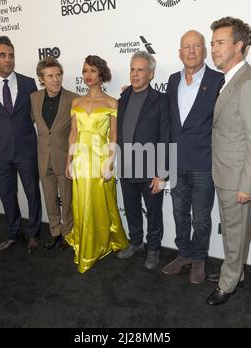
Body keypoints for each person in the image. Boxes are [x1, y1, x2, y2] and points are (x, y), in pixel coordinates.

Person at [206, 17, 251, 305]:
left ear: (239, 46)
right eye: (212, 43)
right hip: (226, 174)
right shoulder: (230, 80)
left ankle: (228, 284)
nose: (213, 49)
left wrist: (248, 184)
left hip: (238, 180)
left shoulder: (249, 84)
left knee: (235, 231)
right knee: (234, 232)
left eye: (220, 43)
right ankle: (235, 273)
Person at [162, 31, 223, 284]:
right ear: (179, 52)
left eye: (196, 46)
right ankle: (184, 254)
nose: (191, 51)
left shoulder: (218, 80)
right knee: (179, 213)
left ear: (204, 51)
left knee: (200, 217)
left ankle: (199, 258)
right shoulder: (173, 79)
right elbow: (168, 121)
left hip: (203, 163)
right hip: (177, 162)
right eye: (186, 46)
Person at [0, 36, 41, 253]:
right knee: (6, 194)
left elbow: (35, 114)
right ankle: (14, 233)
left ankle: (34, 234)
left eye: (11, 55)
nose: (8, 60)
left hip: (26, 150)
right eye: (3, 55)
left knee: (32, 193)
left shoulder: (28, 83)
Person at [65, 55, 128, 273]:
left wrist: (110, 162)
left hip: (101, 160)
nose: (88, 75)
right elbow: (73, 133)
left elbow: (113, 137)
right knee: (82, 203)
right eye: (85, 71)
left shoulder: (112, 103)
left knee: (102, 204)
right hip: (81, 160)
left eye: (92, 70)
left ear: (101, 74)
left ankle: (102, 242)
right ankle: (85, 241)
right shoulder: (76, 102)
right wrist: (69, 160)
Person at [116, 51, 170, 270]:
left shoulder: (161, 100)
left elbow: (166, 136)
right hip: (127, 166)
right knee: (131, 208)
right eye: (132, 69)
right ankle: (136, 242)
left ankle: (154, 249)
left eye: (140, 69)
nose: (135, 74)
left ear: (151, 74)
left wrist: (162, 173)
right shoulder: (124, 97)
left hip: (150, 169)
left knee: (154, 212)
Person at [31, 57, 79, 251]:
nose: (56, 80)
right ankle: (55, 233)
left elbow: (78, 132)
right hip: (43, 158)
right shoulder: (34, 98)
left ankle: (68, 235)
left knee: (67, 201)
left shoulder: (73, 98)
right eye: (50, 76)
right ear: (41, 79)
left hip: (65, 158)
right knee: (50, 199)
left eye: (58, 75)